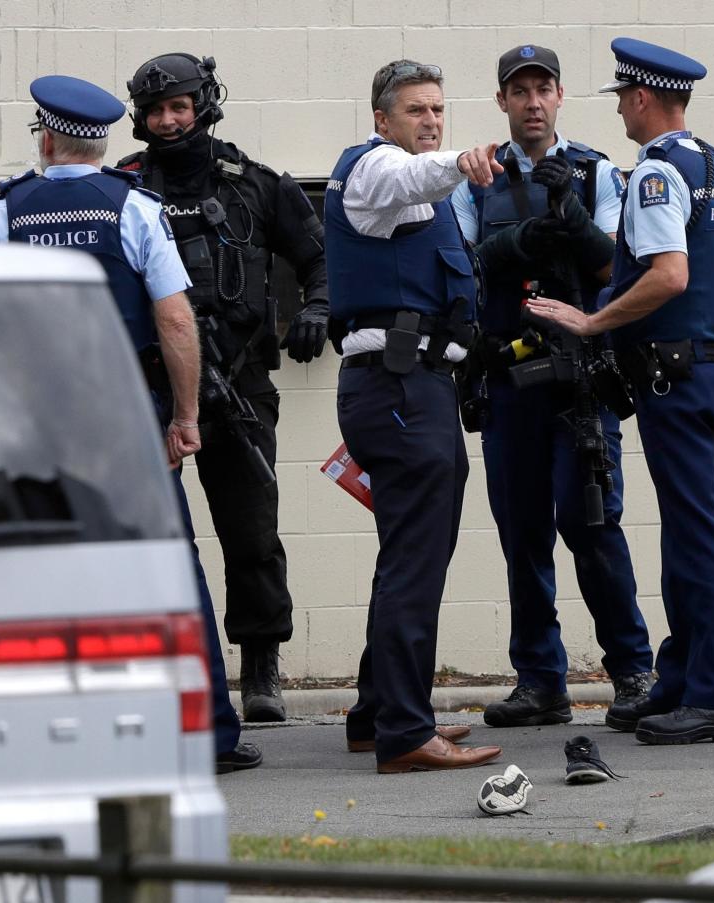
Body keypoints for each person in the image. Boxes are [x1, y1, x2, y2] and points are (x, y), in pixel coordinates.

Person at [0, 74, 262, 773]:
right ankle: (209, 735)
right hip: (126, 412)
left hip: (34, 423)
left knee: (37, 570)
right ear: (100, 142)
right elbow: (174, 317)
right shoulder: (133, 206)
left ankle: (43, 734)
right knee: (168, 569)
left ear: (46, 137)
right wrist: (186, 416)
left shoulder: (4, 213)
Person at [526, 38, 714, 745]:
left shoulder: (657, 174)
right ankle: (681, 679)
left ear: (642, 99)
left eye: (624, 98)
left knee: (697, 535)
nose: (623, 109)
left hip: (679, 377)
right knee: (693, 531)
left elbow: (669, 274)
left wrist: (594, 319)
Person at [119, 53, 331, 723]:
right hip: (149, 394)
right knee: (145, 537)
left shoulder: (256, 184)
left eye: (178, 105)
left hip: (239, 388)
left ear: (204, 103)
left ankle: (261, 665)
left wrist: (318, 309)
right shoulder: (121, 187)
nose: (167, 119)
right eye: (155, 110)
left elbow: (321, 256)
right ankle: (153, 668)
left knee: (251, 534)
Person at [449, 44, 655, 730]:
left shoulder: (597, 173)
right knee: (523, 531)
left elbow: (614, 274)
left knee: (590, 522)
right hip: (508, 380)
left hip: (580, 384)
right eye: (520, 91)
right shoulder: (477, 177)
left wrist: (572, 228)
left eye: (544, 89)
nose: (532, 102)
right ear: (503, 101)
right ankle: (541, 679)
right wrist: (527, 242)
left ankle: (632, 670)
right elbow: (466, 266)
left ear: (561, 97)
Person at [324, 59, 504, 773]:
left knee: (407, 556)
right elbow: (409, 178)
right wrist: (459, 162)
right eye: (414, 111)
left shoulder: (414, 190)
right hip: (398, 389)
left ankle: (378, 713)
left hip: (418, 388)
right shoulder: (374, 168)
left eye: (437, 109)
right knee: (413, 564)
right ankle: (403, 732)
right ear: (381, 120)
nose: (429, 120)